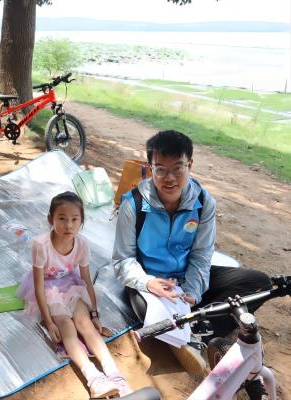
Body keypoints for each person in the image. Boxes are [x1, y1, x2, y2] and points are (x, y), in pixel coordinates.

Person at [112, 130, 272, 380]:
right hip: (152, 283)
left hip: (186, 277)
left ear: (190, 165)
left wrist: (193, 292)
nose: (169, 178)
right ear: (151, 167)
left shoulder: (203, 202)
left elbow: (202, 254)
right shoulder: (133, 204)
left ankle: (195, 332)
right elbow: (123, 260)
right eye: (160, 169)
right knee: (145, 311)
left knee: (258, 282)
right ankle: (188, 330)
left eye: (178, 168)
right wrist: (148, 283)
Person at [18, 192, 132, 398]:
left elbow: (86, 279)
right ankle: (93, 377)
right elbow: (38, 285)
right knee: (66, 326)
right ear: (50, 219)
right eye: (62, 218)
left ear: (81, 221)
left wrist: (95, 313)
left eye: (74, 219)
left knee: (85, 323)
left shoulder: (81, 245)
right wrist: (49, 322)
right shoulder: (41, 245)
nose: (68, 225)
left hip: (71, 285)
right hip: (48, 289)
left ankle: (114, 373)